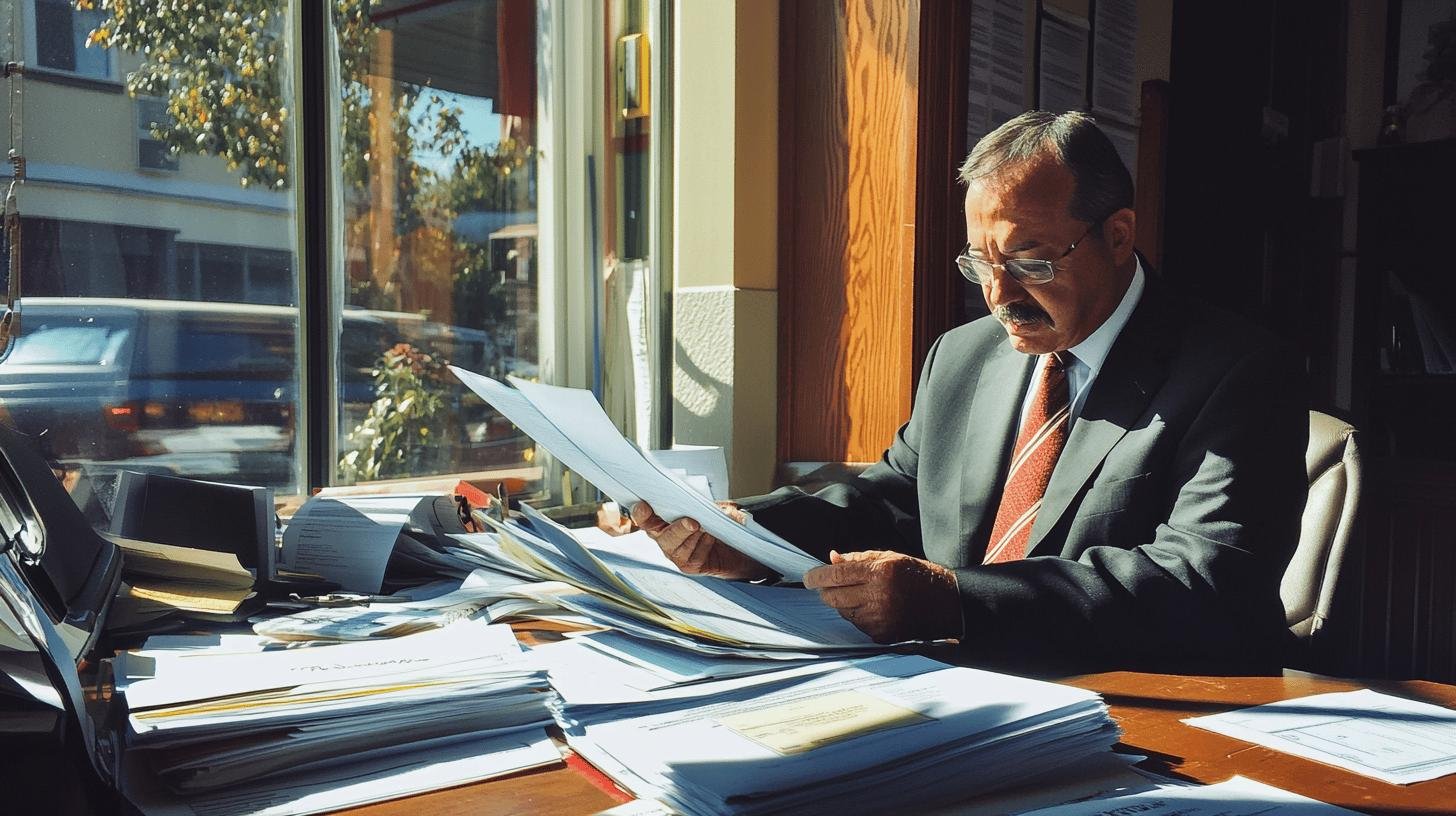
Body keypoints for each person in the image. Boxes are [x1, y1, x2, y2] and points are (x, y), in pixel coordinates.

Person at [633, 111, 1308, 673]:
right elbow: (890, 499)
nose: (999, 295)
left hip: (1141, 712)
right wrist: (740, 533)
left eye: (1027, 261)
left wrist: (957, 599)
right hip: (945, 691)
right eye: (980, 262)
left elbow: (1205, 583)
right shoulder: (961, 358)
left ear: (1118, 235)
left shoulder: (1239, 371)